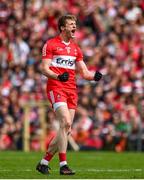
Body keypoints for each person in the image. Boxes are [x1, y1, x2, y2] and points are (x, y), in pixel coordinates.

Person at [36, 14, 102, 175]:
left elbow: (85, 73)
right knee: (65, 122)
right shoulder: (51, 44)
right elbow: (44, 68)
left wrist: (94, 76)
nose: (74, 26)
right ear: (62, 27)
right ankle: (63, 165)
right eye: (71, 24)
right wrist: (57, 76)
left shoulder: (75, 49)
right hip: (56, 87)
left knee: (65, 129)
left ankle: (44, 162)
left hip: (71, 90)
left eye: (75, 24)